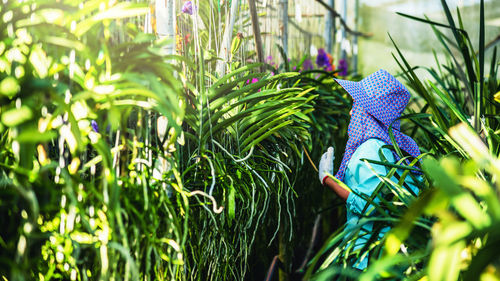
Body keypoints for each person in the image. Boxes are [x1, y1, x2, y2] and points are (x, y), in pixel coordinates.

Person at [318, 69, 422, 270]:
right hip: (384, 254)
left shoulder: (371, 149)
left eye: (355, 105)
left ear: (367, 112)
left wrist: (327, 179)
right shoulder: (387, 146)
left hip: (367, 257)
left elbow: (369, 205)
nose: (350, 112)